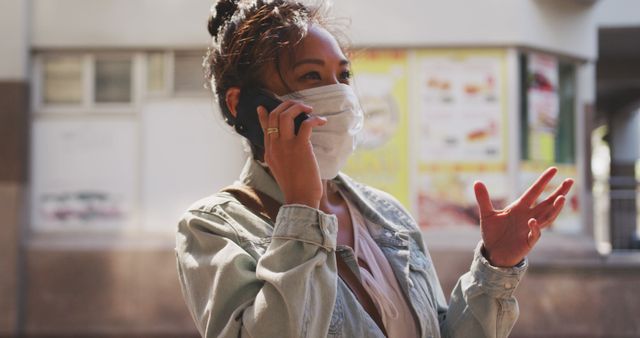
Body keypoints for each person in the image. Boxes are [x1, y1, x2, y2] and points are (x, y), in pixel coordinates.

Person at [174, 1, 575, 337]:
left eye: (343, 76)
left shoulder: (385, 214)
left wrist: (495, 267)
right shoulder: (212, 228)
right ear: (242, 105)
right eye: (311, 77)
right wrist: (302, 209)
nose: (341, 95)